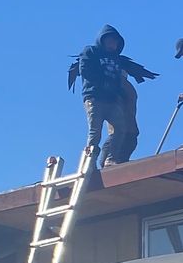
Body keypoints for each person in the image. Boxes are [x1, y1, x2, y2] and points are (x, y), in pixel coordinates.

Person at [67, 25, 157, 170]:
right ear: (102, 40)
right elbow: (86, 70)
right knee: (95, 132)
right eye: (110, 41)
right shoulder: (91, 52)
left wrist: (115, 89)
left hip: (112, 100)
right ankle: (89, 162)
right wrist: (104, 83)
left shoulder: (116, 59)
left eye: (115, 42)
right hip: (95, 97)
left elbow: (121, 80)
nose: (113, 44)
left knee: (121, 129)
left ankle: (111, 159)